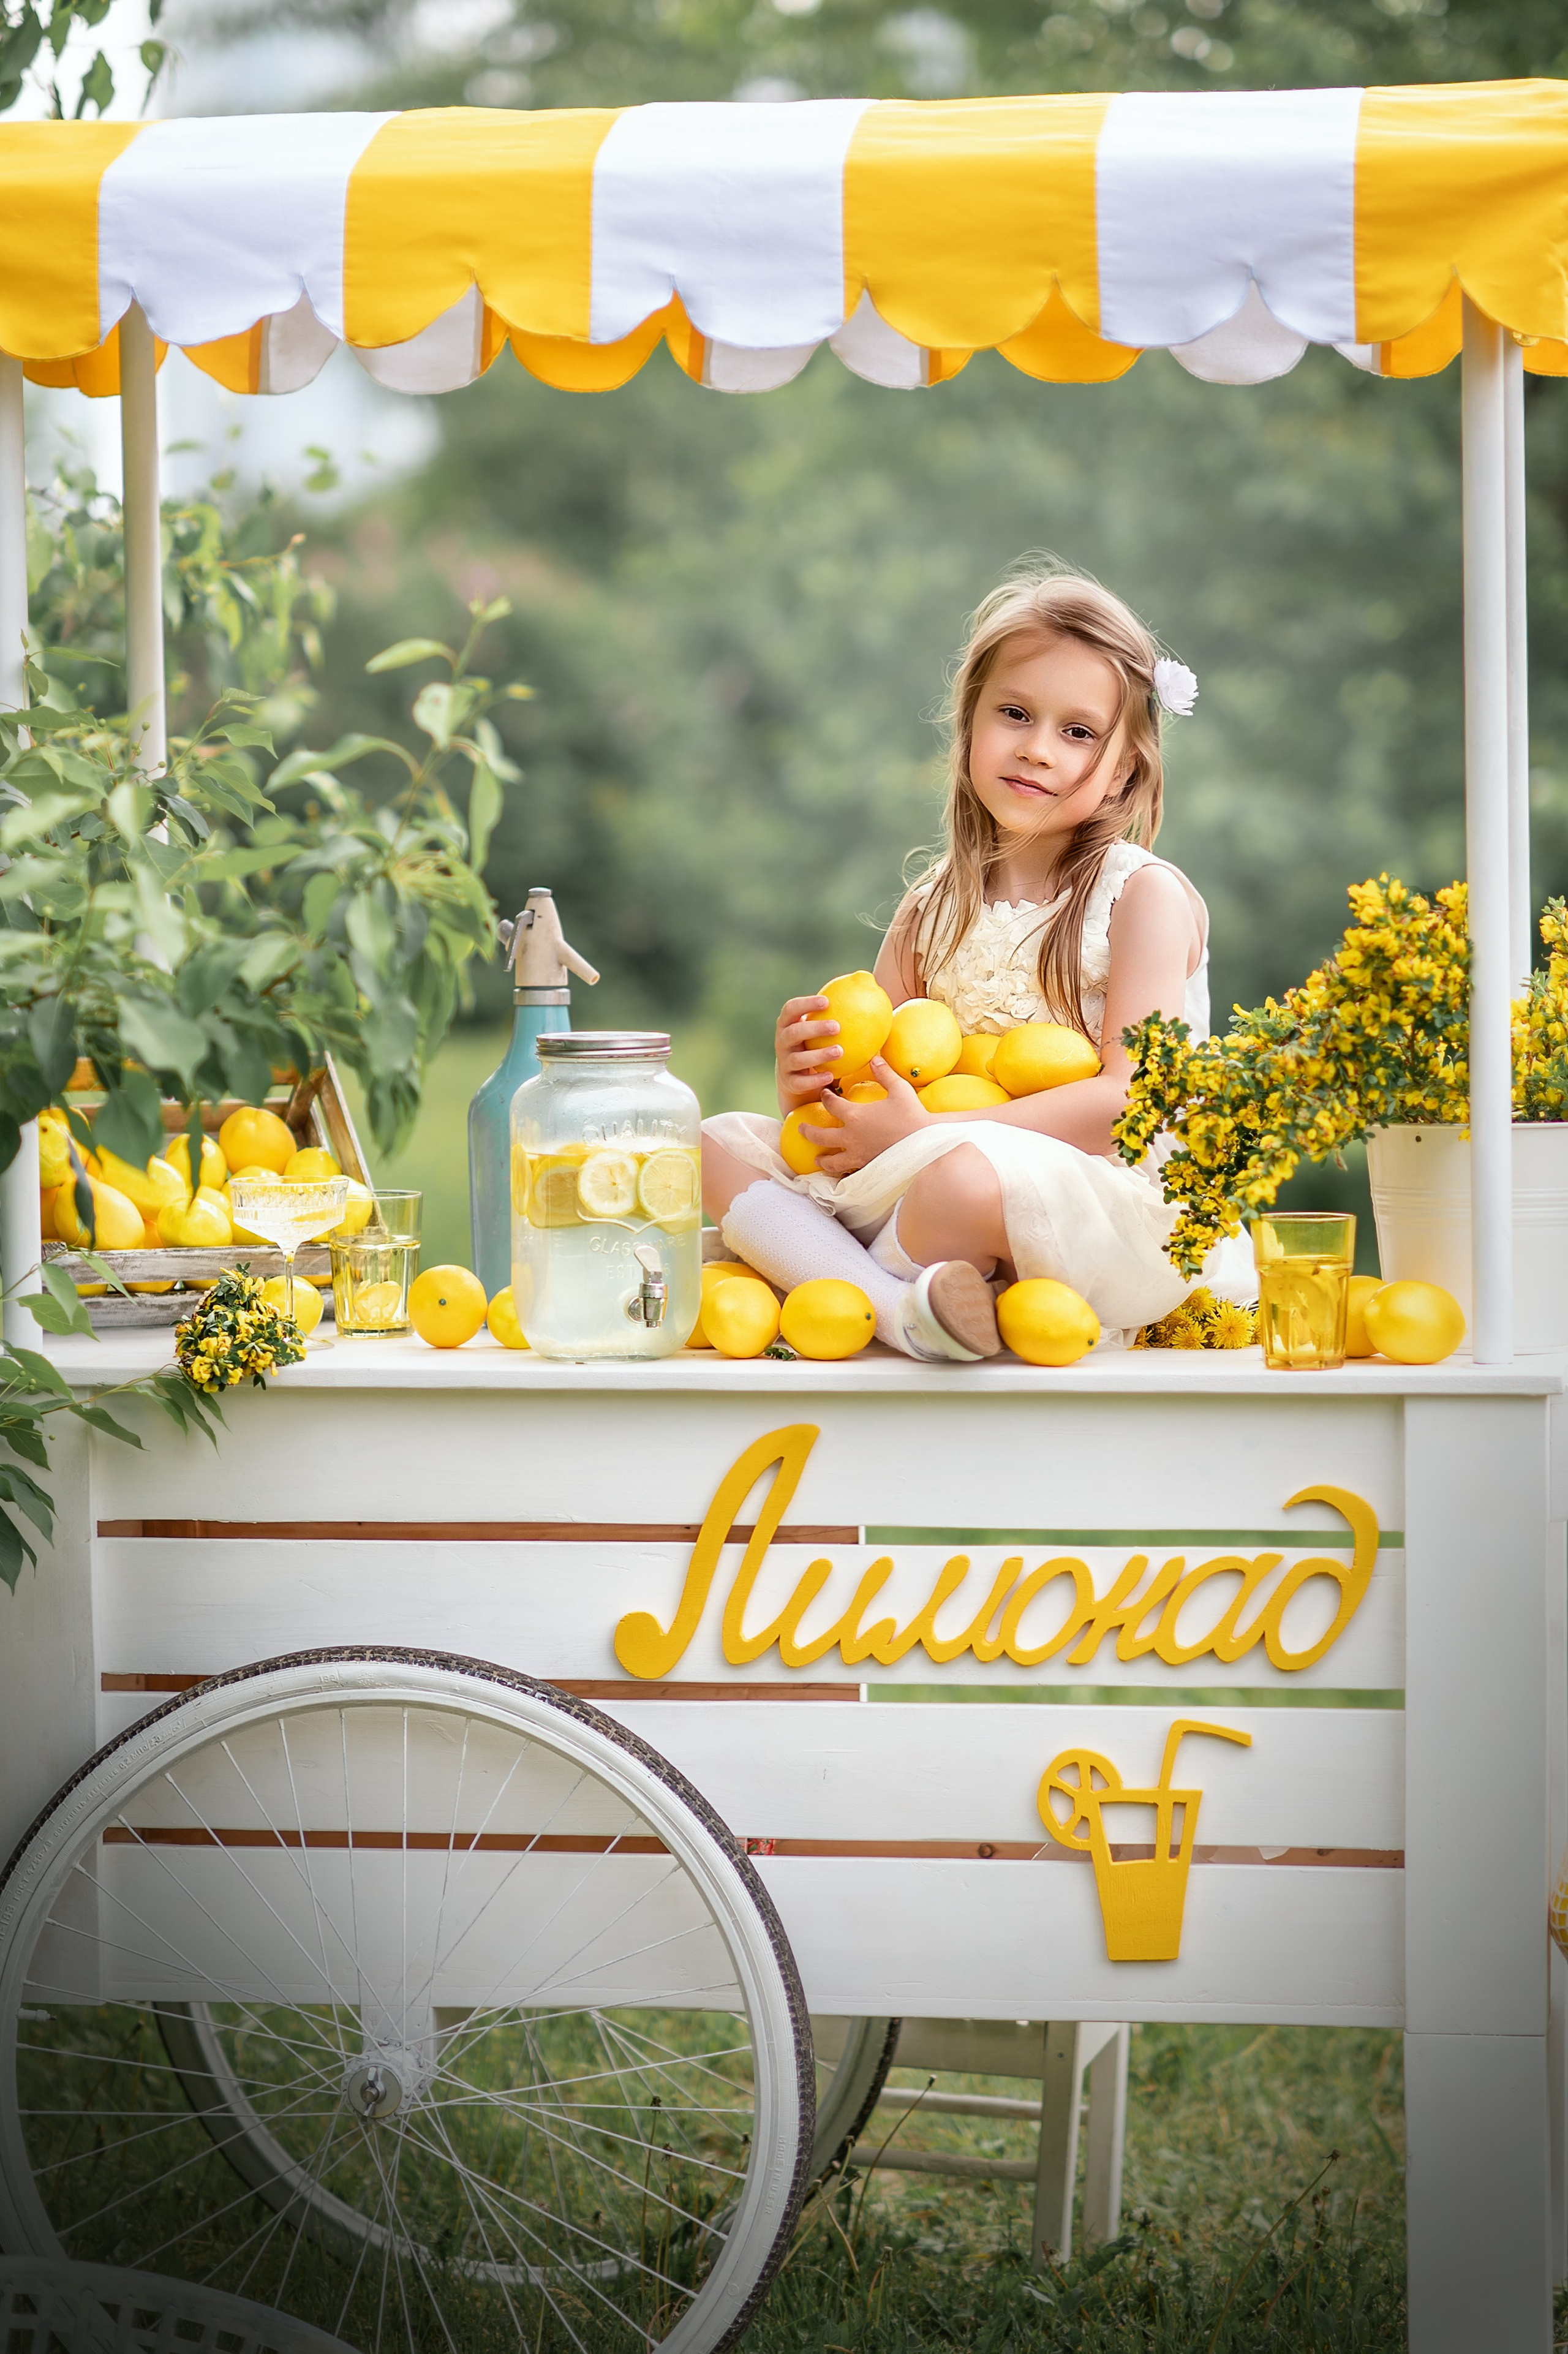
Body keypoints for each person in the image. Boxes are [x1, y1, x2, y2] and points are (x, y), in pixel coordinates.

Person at [701, 563, 1256, 1360]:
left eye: (1077, 732)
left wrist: (934, 1131)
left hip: (1101, 1199)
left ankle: (835, 1286)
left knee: (960, 1179)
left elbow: (1129, 1102)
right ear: (969, 726)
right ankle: (900, 1309)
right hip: (929, 1160)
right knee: (712, 1142)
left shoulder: (1141, 899)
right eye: (1015, 713)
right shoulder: (932, 907)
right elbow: (876, 1086)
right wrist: (812, 1088)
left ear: (1124, 771)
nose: (1037, 749)